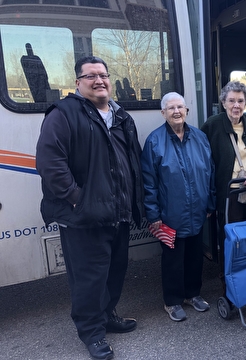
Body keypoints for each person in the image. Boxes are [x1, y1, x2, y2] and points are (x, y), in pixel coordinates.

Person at [36, 56, 144, 360]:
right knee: (88, 279)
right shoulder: (64, 114)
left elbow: (131, 160)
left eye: (103, 75)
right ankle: (92, 333)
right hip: (84, 217)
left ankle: (107, 315)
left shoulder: (121, 115)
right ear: (78, 82)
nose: (99, 80)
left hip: (118, 214)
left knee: (114, 272)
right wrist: (77, 199)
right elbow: (50, 164)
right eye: (91, 76)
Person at [141, 92, 216, 322]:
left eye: (180, 107)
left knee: (195, 256)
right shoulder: (154, 141)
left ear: (186, 111)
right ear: (163, 113)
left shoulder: (200, 137)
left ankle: (192, 294)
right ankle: (172, 300)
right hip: (169, 215)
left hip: (197, 211)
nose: (176, 111)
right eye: (171, 108)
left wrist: (210, 203)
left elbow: (210, 172)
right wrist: (153, 215)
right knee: (173, 260)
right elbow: (148, 181)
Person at [201, 81, 246, 291]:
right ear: (223, 103)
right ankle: (230, 281)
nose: (236, 105)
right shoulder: (212, 125)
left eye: (240, 101)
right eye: (231, 100)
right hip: (228, 196)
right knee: (231, 240)